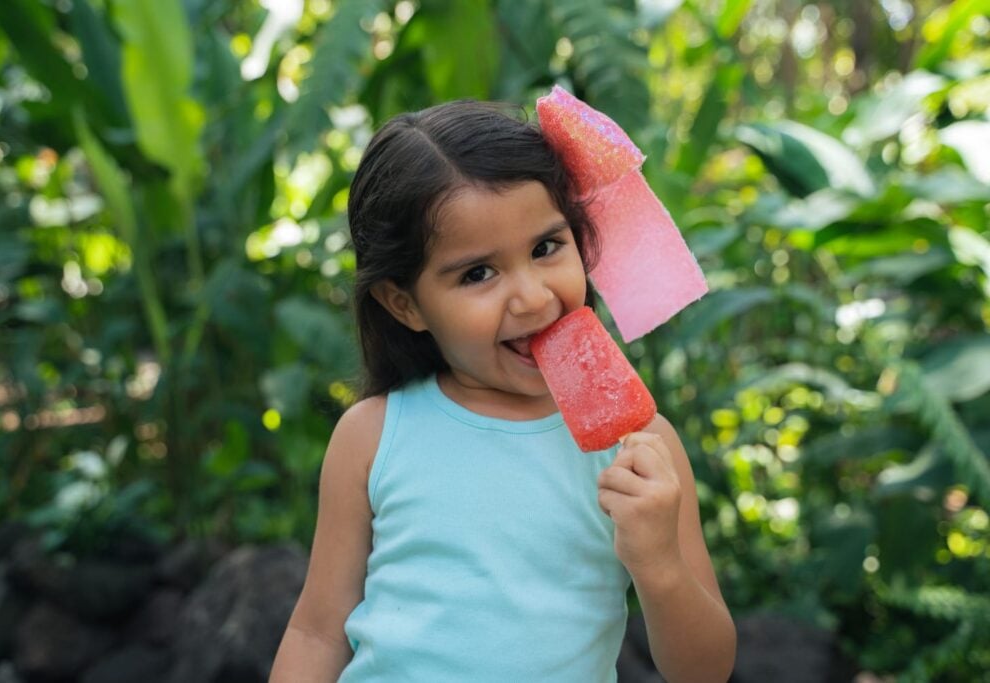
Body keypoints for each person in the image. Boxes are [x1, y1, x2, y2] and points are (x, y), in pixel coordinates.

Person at [270, 100, 736, 682]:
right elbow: (316, 632)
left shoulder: (643, 449)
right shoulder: (372, 435)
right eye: (477, 274)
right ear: (405, 303)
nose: (534, 297)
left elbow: (706, 671)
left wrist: (661, 563)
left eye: (546, 248)